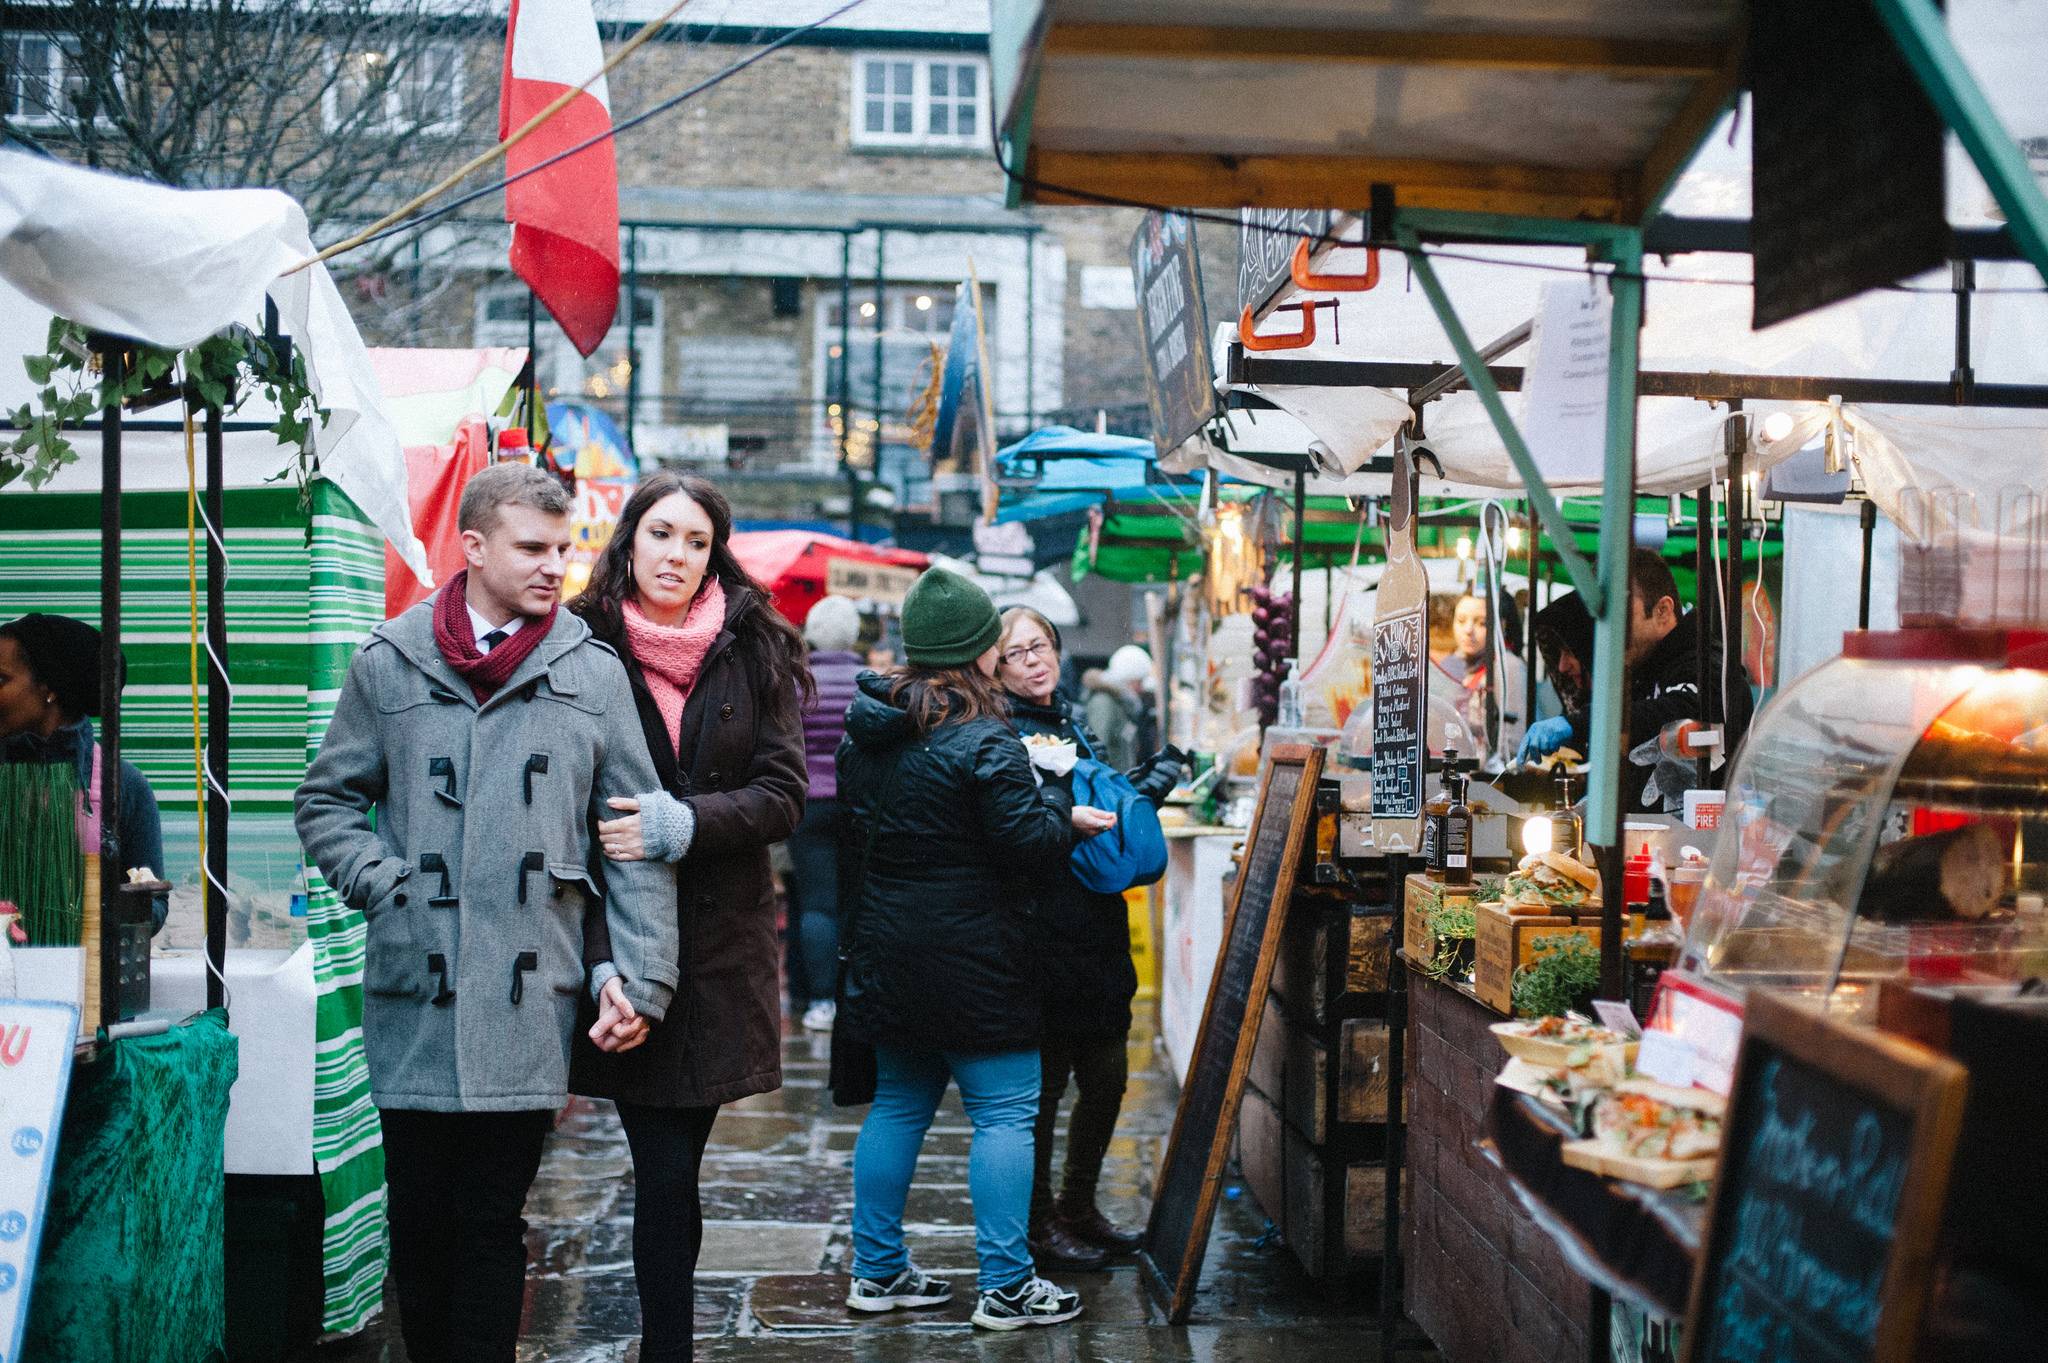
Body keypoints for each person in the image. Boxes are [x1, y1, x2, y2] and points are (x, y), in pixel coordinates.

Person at [295, 461, 678, 1363]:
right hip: (412, 994)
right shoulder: (388, 662)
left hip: (526, 993)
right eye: (533, 548)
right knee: (419, 1224)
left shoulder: (592, 673)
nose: (556, 566)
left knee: (491, 1221)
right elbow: (325, 802)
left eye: (565, 547)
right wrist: (384, 883)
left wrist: (644, 977)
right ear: (472, 547)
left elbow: (634, 835)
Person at [568, 471, 810, 1363]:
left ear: (716, 553)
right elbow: (561, 815)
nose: (676, 555)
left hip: (718, 952)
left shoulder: (755, 648)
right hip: (615, 943)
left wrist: (686, 822)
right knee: (656, 1167)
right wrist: (601, 966)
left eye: (696, 541)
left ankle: (665, 1346)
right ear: (630, 539)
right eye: (661, 534)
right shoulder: (578, 645)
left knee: (674, 1169)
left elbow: (785, 795)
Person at [837, 567, 1104, 1332]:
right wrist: (1058, 799)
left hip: (890, 948)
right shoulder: (983, 736)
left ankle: (878, 1270)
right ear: (980, 650)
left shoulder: (871, 731)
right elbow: (1029, 845)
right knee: (1005, 1112)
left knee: (898, 1105)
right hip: (976, 958)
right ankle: (1008, 1284)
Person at [995, 607, 1181, 1272]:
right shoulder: (997, 732)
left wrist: (1144, 789)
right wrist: (1060, 815)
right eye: (1015, 653)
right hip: (1040, 930)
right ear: (995, 666)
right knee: (1043, 1088)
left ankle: (1079, 1206)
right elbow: (1008, 825)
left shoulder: (1071, 721)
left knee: (1106, 1075)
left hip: (1095, 927)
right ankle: (1041, 1221)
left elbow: (1100, 805)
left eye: (1038, 645)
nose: (1032, 661)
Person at [1521, 550, 1755, 811]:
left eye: (1620, 617)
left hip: (1703, 845)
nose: (1611, 633)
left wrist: (1578, 723)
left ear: (1662, 611)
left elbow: (1680, 710)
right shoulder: (1643, 672)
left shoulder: (1708, 665)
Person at [0, 614, 167, 932]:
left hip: (88, 976)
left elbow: (154, 903)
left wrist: (91, 915)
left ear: (50, 688)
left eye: (0, 680)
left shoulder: (124, 785)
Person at [788, 593, 864, 1032]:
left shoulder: (797, 683)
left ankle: (820, 1002)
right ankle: (853, 992)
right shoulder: (868, 680)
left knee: (817, 905)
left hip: (809, 803)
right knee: (856, 900)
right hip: (857, 804)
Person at [1439, 591, 1529, 761]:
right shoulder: (1450, 664)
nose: (1468, 630)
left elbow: (1514, 745)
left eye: (1481, 623)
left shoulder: (1508, 666)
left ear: (1501, 626)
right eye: (1461, 620)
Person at [1082, 644, 1151, 770]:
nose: (1141, 688)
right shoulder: (1104, 702)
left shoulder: (1117, 702)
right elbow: (1098, 747)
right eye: (1138, 682)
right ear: (1126, 679)